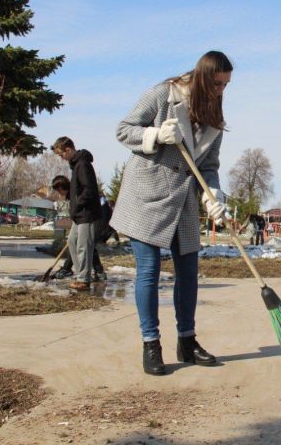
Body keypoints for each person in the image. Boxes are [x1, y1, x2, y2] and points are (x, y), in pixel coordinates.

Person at [109, 50, 232, 375]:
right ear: (204, 76)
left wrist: (213, 194)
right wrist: (155, 135)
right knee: (148, 270)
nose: (221, 90)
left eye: (226, 85)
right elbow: (123, 129)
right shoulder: (164, 93)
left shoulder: (215, 116)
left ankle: (187, 341)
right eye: (218, 83)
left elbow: (209, 166)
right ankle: (151, 345)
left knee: (189, 272)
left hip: (184, 202)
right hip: (148, 195)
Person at [52, 137, 103, 291]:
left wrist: (78, 204)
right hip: (78, 215)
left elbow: (89, 190)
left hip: (86, 213)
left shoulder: (83, 165)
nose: (61, 158)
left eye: (61, 155)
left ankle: (83, 278)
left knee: (83, 246)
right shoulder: (76, 166)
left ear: (68, 149)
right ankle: (80, 274)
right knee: (73, 243)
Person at [49, 175, 107, 281]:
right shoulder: (72, 193)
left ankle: (95, 272)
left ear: (61, 188)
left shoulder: (75, 192)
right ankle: (80, 270)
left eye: (58, 191)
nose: (58, 193)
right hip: (85, 219)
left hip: (96, 219)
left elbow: (84, 206)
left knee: (86, 245)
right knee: (75, 242)